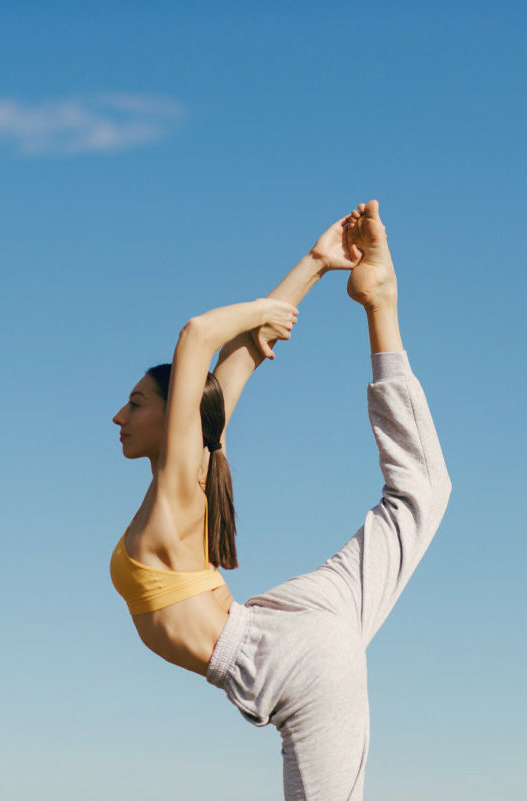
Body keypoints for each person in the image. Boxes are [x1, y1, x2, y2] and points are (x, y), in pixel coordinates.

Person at [110, 200, 452, 800]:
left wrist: (262, 309)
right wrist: (318, 263)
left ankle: (382, 302)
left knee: (419, 497)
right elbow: (238, 358)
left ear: (174, 416)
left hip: (294, 660)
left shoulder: (177, 495)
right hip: (293, 618)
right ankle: (383, 305)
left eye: (137, 403)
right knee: (419, 494)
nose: (119, 415)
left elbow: (197, 337)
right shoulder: (198, 465)